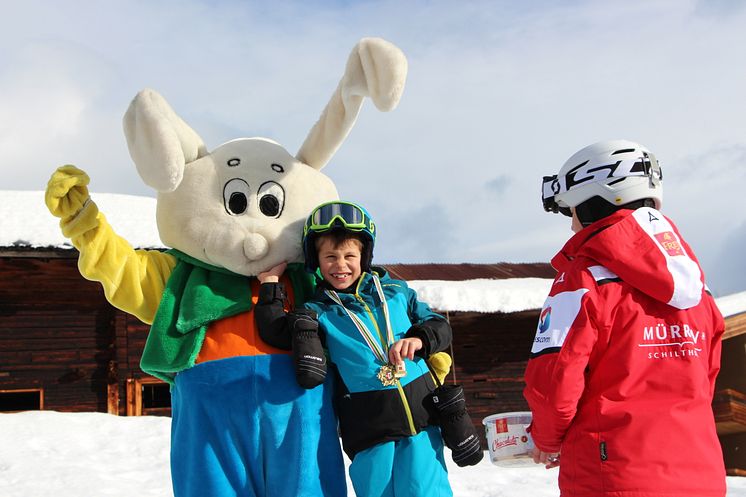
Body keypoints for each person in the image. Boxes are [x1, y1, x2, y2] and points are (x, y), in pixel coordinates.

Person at [524, 140, 727, 496]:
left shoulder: (584, 278)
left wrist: (546, 437)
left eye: (571, 211)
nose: (572, 227)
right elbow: (705, 380)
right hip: (701, 474)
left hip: (614, 474)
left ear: (593, 202)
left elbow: (556, 376)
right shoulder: (698, 288)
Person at [255, 200, 482, 497]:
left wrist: (420, 339)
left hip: (423, 421)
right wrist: (270, 285)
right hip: (369, 430)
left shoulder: (396, 293)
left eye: (350, 255)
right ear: (317, 260)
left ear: (364, 255)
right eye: (330, 256)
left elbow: (440, 325)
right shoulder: (317, 311)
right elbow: (277, 333)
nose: (340, 265)